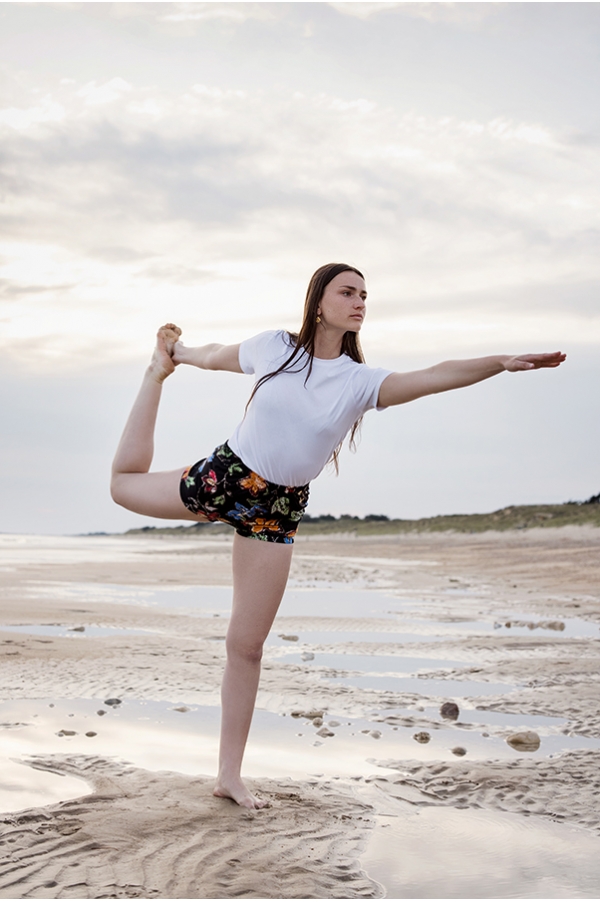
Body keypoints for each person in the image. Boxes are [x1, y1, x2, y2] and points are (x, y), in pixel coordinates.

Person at [111, 262, 565, 808]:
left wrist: (499, 363)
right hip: (227, 478)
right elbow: (213, 355)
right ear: (319, 301)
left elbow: (435, 375)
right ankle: (150, 378)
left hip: (278, 511)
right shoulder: (274, 347)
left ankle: (229, 775)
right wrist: (176, 357)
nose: (359, 302)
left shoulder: (359, 383)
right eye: (347, 292)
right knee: (122, 486)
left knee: (246, 646)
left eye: (364, 296)